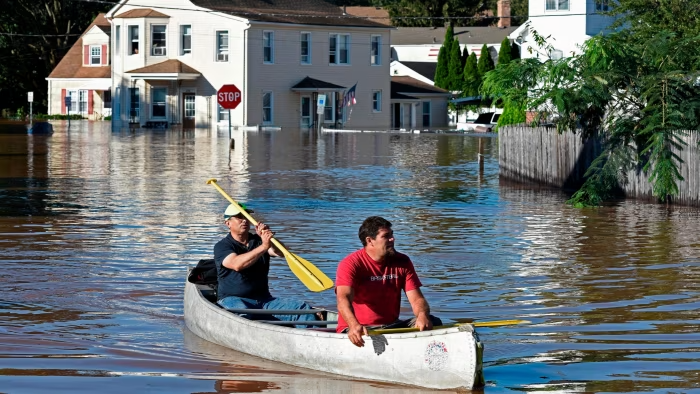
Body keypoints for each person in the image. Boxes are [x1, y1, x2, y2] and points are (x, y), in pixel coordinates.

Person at [335, 216, 442, 347]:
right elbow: (343, 300)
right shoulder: (350, 264)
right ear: (370, 241)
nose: (392, 239)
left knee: (433, 321)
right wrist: (353, 325)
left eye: (392, 234)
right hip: (360, 329)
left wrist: (422, 314)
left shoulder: (403, 261)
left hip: (391, 326)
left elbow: (417, 299)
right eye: (386, 236)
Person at [214, 203, 317, 326]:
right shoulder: (222, 246)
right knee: (243, 316)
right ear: (228, 223)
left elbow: (281, 252)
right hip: (233, 299)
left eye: (246, 216)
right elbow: (237, 264)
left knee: (303, 309)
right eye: (239, 217)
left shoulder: (259, 241)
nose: (244, 220)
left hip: (264, 300)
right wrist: (263, 246)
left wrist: (270, 239)